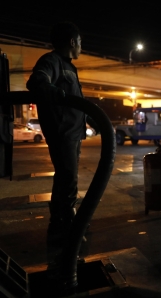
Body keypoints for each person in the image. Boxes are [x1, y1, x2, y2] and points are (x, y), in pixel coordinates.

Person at [26, 22, 94, 240]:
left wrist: (91, 117)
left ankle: (61, 224)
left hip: (73, 133)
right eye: (80, 42)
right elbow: (37, 80)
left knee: (66, 180)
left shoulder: (68, 66)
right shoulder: (51, 61)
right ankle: (64, 227)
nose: (82, 46)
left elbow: (74, 100)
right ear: (73, 42)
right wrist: (52, 90)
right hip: (62, 132)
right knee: (67, 180)